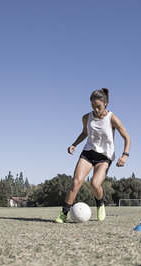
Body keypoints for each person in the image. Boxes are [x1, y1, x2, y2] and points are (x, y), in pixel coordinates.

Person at [55, 88, 131, 223]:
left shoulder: (112, 118)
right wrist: (74, 144)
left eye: (98, 107)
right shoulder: (86, 117)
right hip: (88, 153)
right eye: (93, 106)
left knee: (95, 184)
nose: (95, 110)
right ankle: (64, 213)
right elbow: (84, 133)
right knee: (76, 182)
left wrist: (125, 155)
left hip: (105, 157)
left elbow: (127, 138)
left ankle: (100, 204)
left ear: (105, 103)